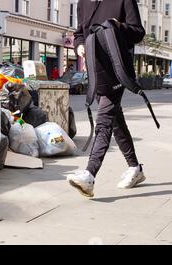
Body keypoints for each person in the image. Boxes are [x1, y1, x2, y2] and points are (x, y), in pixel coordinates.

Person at [67, 0, 146, 197]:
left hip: (117, 71)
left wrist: (118, 26)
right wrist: (80, 47)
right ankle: (135, 168)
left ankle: (89, 175)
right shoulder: (83, 3)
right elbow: (79, 33)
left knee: (104, 121)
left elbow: (138, 32)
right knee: (115, 121)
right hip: (96, 71)